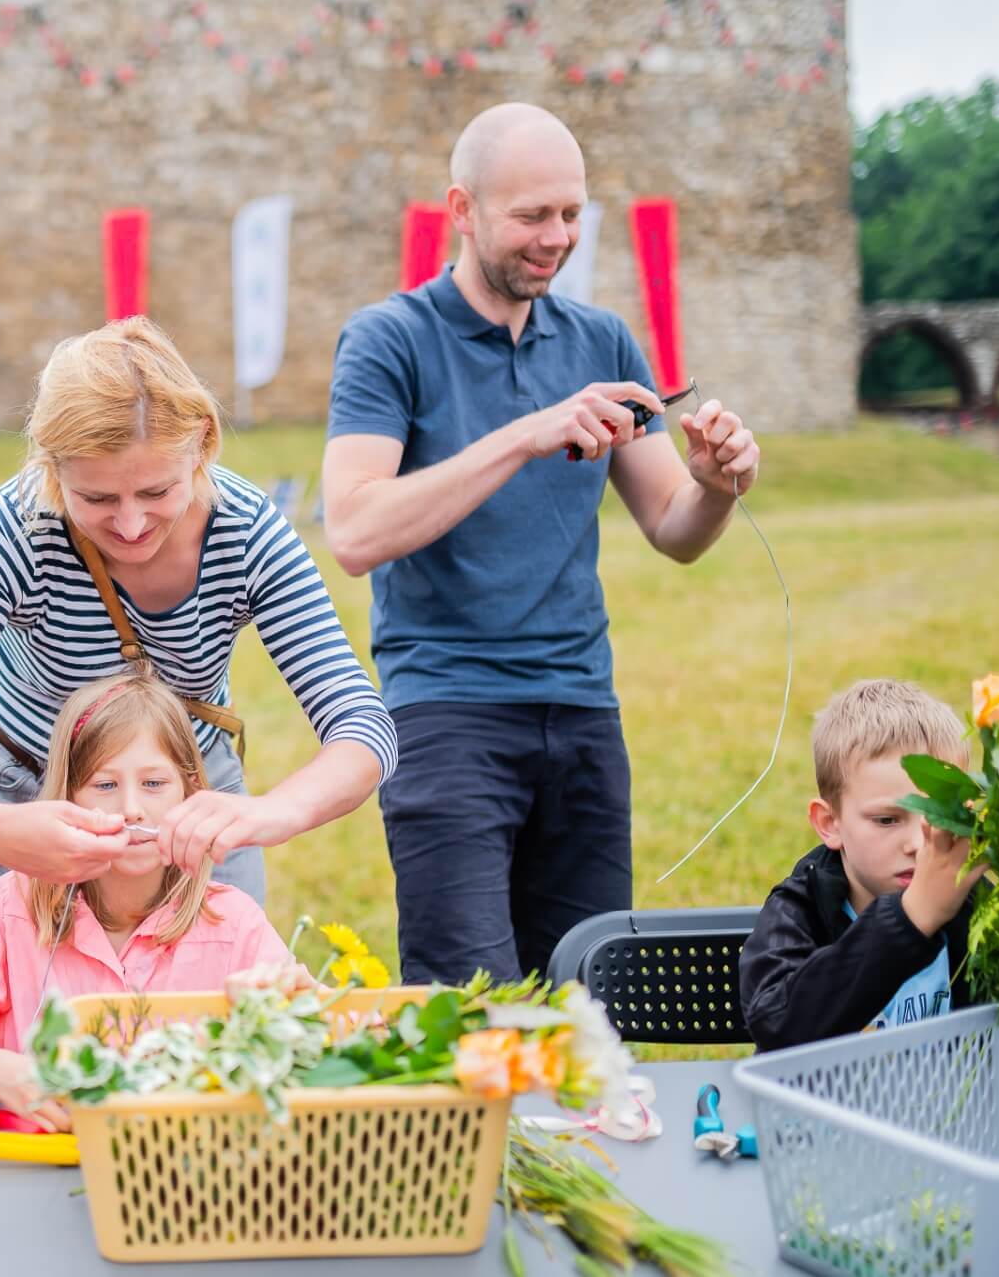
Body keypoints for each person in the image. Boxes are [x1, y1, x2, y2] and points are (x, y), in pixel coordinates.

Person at [320, 102, 762, 984]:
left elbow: (675, 529)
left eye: (570, 213)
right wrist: (526, 433)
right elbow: (356, 530)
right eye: (531, 216)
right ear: (463, 208)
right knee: (469, 1010)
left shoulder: (601, 340)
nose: (556, 238)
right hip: (446, 717)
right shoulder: (390, 339)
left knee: (588, 1011)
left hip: (585, 715)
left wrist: (717, 483)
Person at [0, 316, 397, 913]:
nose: (131, 524)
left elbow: (362, 726)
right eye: (95, 499)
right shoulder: (20, 526)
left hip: (185, 811)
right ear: (51, 466)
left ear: (201, 443)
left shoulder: (246, 530)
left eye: (157, 492)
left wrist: (271, 812)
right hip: (23, 792)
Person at [0, 672, 295, 1128]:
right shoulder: (13, 907)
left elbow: (313, 1047)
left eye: (154, 783)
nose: (132, 808)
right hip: (36, 1174)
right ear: (68, 796)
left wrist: (284, 1015)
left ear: (192, 792)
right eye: (105, 785)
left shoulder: (233, 923)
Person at [740, 680, 984, 1051]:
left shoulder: (970, 897)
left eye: (938, 817)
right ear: (829, 823)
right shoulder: (799, 911)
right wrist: (910, 919)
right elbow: (776, 1024)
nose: (917, 845)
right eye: (887, 820)